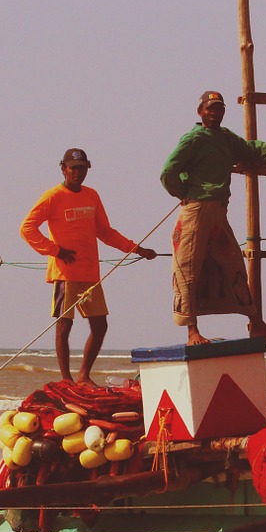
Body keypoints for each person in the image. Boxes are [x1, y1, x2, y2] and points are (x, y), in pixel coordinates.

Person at [160, 90, 266, 345]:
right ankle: (192, 331)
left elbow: (250, 150)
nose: (215, 113)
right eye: (211, 109)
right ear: (201, 112)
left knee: (233, 265)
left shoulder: (225, 138)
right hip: (196, 209)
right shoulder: (193, 139)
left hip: (218, 210)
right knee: (187, 267)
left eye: (219, 109)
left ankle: (257, 324)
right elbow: (169, 171)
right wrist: (183, 192)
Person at [21, 148, 157, 382]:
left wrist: (137, 249)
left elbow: (105, 232)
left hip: (90, 272)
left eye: (82, 168)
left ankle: (84, 375)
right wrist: (55, 250)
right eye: (73, 168)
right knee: (64, 326)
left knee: (100, 326)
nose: (78, 172)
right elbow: (27, 228)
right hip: (65, 272)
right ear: (63, 169)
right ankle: (66, 379)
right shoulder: (52, 196)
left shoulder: (91, 195)